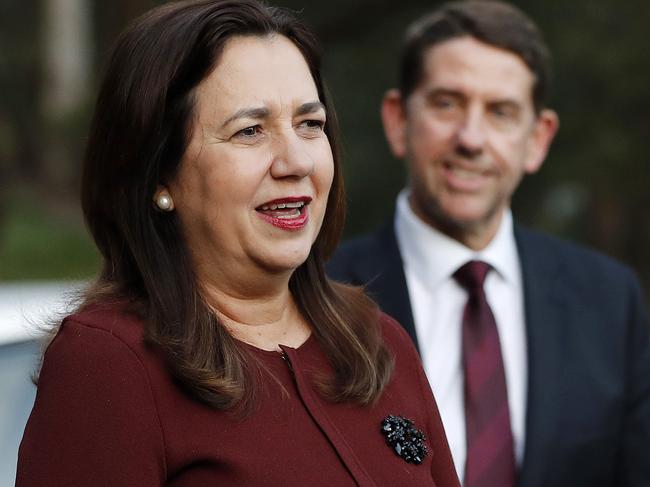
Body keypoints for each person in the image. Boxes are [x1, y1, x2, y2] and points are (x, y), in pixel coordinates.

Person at [15, 1, 461, 486]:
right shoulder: (108, 364)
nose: (296, 161)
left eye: (310, 125)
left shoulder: (376, 341)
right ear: (159, 174)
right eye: (250, 131)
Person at [327, 1, 650, 487]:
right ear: (397, 121)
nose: (471, 138)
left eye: (501, 112)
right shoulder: (317, 293)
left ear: (537, 140)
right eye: (447, 103)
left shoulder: (610, 300)